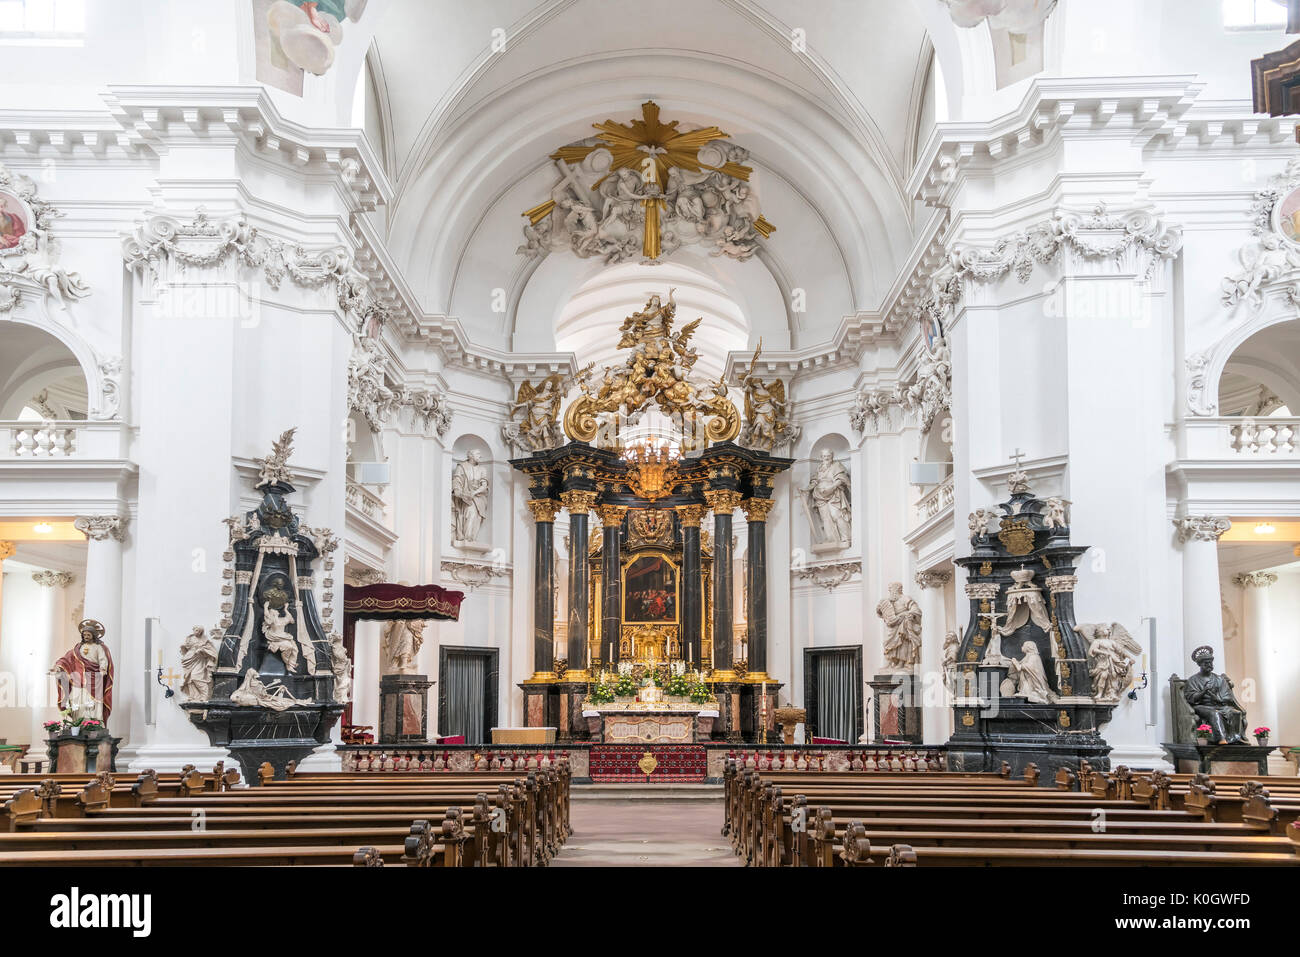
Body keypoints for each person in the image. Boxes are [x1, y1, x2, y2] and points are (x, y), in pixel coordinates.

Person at [51, 619, 114, 724]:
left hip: (94, 677)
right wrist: (58, 667)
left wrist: (103, 669)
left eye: (88, 634)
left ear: (93, 635)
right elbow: (67, 659)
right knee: (77, 700)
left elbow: (103, 660)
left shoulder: (99, 647)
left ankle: (94, 723)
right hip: (78, 678)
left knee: (93, 702)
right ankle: (78, 722)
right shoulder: (78, 648)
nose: (86, 636)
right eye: (84, 634)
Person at [1183, 645, 1247, 744]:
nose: (1209, 665)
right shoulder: (1193, 680)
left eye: (1210, 663)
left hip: (1219, 704)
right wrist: (1203, 691)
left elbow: (1228, 696)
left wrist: (1218, 698)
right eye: (1206, 663)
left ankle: (1235, 738)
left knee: (1235, 713)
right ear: (1200, 665)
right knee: (1214, 713)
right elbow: (1191, 698)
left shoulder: (1219, 679)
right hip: (1202, 706)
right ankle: (1221, 739)